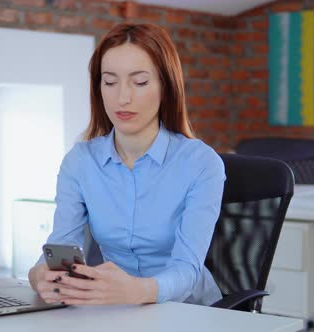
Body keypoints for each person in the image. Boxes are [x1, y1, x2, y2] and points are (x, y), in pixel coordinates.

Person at [28, 22, 225, 306]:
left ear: (165, 87)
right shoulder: (80, 162)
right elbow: (61, 248)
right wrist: (39, 276)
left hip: (189, 311)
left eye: (140, 82)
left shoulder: (201, 163)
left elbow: (187, 269)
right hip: (115, 310)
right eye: (110, 82)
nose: (123, 98)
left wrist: (140, 291)